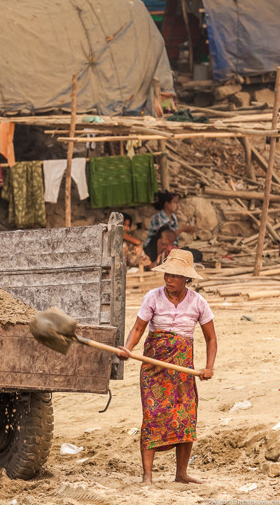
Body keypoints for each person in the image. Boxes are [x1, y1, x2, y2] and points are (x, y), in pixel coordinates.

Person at [117, 248, 217, 484]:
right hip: (155, 369)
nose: (168, 279)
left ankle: (181, 474)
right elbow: (139, 328)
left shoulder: (198, 302)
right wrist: (128, 348)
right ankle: (147, 475)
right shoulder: (152, 297)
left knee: (186, 416)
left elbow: (211, 338)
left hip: (183, 371)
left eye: (174, 276)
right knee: (152, 415)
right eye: (167, 275)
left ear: (186, 279)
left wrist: (208, 367)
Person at [143, 191, 201, 263]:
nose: (177, 205)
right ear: (167, 203)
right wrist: (182, 229)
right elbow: (166, 238)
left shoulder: (173, 217)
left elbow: (172, 241)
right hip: (154, 252)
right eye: (175, 202)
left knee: (195, 254)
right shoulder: (158, 217)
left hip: (169, 249)